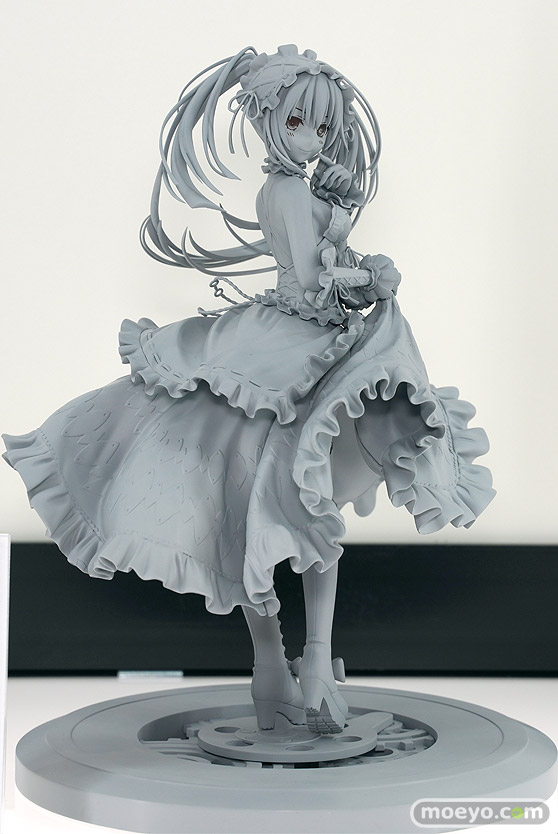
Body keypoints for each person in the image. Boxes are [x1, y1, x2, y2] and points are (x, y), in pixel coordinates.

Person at [2, 44, 495, 735]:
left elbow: (323, 264)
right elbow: (313, 281)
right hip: (289, 342)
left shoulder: (300, 190)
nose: (311, 139)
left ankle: (295, 663)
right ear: (266, 120)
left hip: (305, 337)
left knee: (293, 509)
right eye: (296, 123)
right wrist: (364, 277)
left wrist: (352, 244)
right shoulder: (286, 192)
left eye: (323, 128)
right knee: (269, 508)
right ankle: (294, 662)